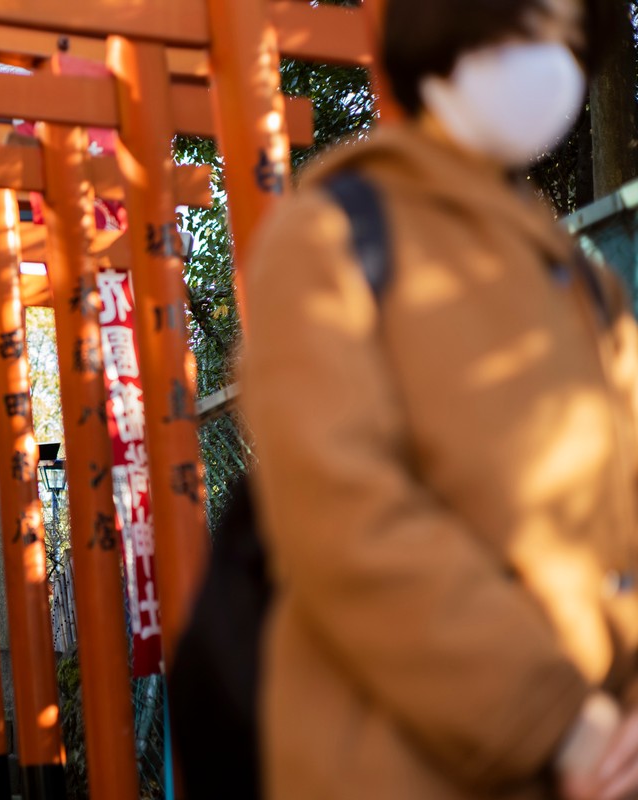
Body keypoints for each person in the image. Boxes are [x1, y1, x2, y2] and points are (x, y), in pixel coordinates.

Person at [240, 1, 638, 798]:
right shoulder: (331, 236)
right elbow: (343, 518)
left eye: (569, 40)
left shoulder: (581, 273)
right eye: (528, 29)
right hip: (406, 763)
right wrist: (556, 720)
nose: (551, 64)